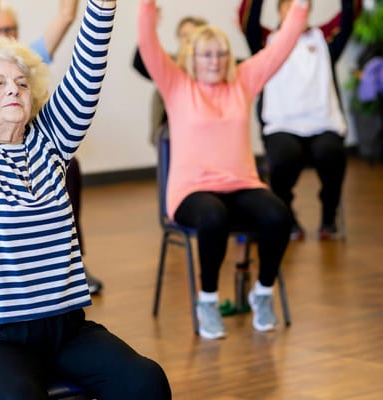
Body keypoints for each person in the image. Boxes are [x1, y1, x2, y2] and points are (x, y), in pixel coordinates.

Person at [0, 0, 172, 398]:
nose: (13, 89)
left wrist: (102, 8)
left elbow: (88, 70)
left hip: (63, 330)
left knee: (146, 382)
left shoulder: (50, 143)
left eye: (20, 82)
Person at [138, 0, 308, 339]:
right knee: (213, 217)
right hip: (191, 192)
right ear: (191, 58)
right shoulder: (177, 85)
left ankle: (262, 293)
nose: (214, 61)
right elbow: (147, 42)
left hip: (242, 185)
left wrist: (300, 7)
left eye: (221, 54)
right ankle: (208, 301)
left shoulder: (243, 82)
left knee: (278, 215)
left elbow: (283, 44)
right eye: (206, 54)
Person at [0, 0, 104, 294]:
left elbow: (67, 16)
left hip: (31, 156)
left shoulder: (25, 61)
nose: (5, 35)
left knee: (70, 166)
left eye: (10, 28)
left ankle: (72, 258)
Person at [239, 0, 354, 241]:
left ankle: (328, 216)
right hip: (282, 125)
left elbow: (349, 16)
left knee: (332, 154)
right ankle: (287, 214)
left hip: (323, 123)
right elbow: (246, 19)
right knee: (283, 159)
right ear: (279, 10)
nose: (294, 10)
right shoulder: (266, 41)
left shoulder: (324, 39)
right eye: (287, 5)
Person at [132, 13, 207, 145]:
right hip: (169, 136)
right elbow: (139, 63)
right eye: (184, 35)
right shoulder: (169, 64)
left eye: (193, 35)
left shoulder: (212, 67)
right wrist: (149, 27)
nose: (188, 39)